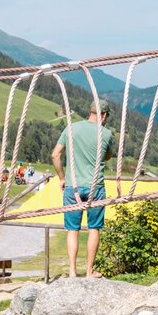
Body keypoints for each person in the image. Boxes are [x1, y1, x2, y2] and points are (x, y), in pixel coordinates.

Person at [52, 101, 115, 278]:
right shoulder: (106, 133)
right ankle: (89, 271)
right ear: (103, 115)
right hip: (96, 187)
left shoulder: (71, 129)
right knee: (94, 228)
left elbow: (55, 155)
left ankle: (72, 271)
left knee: (73, 229)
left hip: (73, 187)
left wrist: (62, 178)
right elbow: (108, 155)